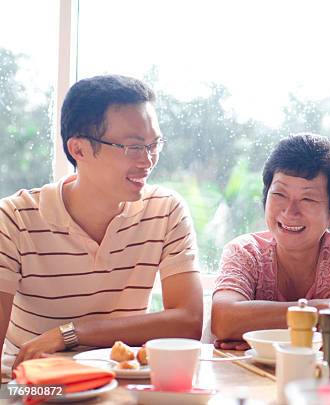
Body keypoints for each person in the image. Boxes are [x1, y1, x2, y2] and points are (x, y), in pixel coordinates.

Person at [0, 75, 203, 376]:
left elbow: (188, 322)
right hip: (35, 388)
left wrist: (72, 333)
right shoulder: (15, 219)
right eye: (134, 147)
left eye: (154, 144)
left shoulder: (165, 210)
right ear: (79, 150)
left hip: (122, 384)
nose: (148, 161)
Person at [211, 133, 330, 349]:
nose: (290, 212)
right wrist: (325, 310)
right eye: (279, 194)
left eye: (307, 199)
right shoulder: (245, 251)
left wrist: (267, 337)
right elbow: (223, 320)